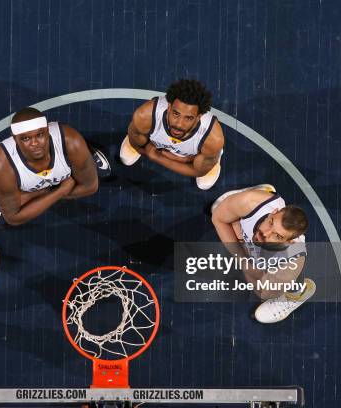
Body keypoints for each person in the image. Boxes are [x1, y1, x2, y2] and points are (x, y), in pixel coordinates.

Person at [211, 184, 316, 323]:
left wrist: (246, 262)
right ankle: (263, 193)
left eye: (277, 236)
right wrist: (241, 258)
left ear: (289, 242)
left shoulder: (290, 263)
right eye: (271, 222)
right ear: (274, 212)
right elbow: (218, 219)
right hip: (255, 207)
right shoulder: (251, 203)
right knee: (220, 210)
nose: (264, 233)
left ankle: (297, 294)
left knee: (262, 293)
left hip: (278, 270)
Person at [0, 107, 108, 225]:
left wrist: (29, 198)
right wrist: (59, 191)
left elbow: (90, 187)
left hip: (68, 150)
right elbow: (13, 218)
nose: (34, 143)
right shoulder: (3, 164)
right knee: (3, 216)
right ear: (15, 139)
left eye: (40, 135)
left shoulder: (70, 141)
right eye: (26, 138)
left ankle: (86, 150)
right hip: (14, 174)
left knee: (88, 162)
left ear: (47, 130)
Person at [119, 79, 225, 190]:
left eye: (188, 118)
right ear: (169, 107)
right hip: (184, 155)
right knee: (138, 139)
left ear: (199, 117)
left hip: (172, 152)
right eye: (176, 114)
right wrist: (186, 160)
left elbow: (198, 171)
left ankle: (213, 161)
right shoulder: (145, 115)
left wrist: (157, 156)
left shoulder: (212, 138)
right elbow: (135, 143)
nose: (179, 124)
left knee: (201, 165)